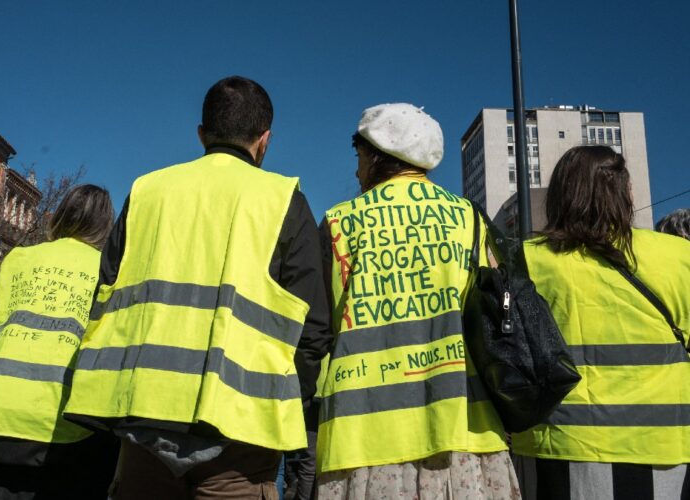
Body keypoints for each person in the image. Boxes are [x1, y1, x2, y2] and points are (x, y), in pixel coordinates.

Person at [63, 76, 332, 499]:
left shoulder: (147, 191)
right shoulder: (282, 199)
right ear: (264, 140)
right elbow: (313, 328)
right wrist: (280, 404)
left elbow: (105, 295)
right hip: (241, 439)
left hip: (142, 421)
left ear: (202, 134)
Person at [316, 104, 520, 499]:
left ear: (377, 157)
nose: (357, 170)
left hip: (364, 437)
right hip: (463, 430)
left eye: (359, 157)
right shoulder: (469, 218)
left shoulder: (340, 221)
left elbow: (318, 324)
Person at [511, 146, 690, 500]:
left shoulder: (526, 260)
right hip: (662, 448)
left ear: (561, 195)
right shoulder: (678, 257)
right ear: (625, 193)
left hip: (555, 446)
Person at [0, 185, 117, 499]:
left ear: (61, 215)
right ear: (106, 225)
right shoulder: (108, 274)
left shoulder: (18, 259)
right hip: (65, 433)